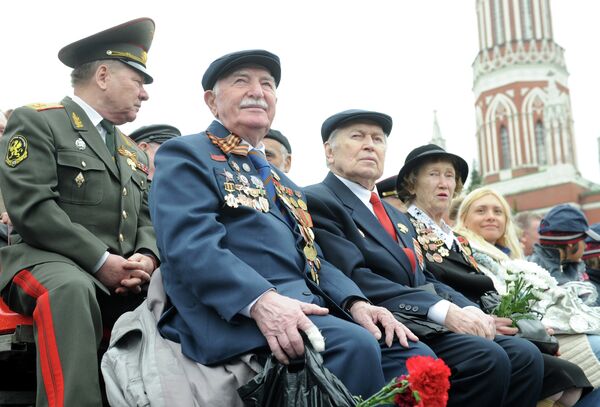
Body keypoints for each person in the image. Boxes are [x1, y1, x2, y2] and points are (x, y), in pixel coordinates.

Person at [149, 50, 431, 399]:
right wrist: (260, 301)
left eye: (267, 84)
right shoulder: (187, 154)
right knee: (353, 346)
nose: (257, 91)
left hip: (307, 306)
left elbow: (313, 259)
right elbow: (190, 246)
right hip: (233, 312)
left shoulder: (283, 181)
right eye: (242, 82)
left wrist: (358, 304)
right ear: (211, 101)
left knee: (413, 357)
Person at [305, 116, 543, 406]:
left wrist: (470, 310)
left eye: (378, 139)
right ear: (329, 152)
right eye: (358, 137)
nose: (370, 146)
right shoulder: (318, 199)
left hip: (422, 319)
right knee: (485, 357)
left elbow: (423, 276)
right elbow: (356, 276)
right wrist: (441, 310)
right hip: (383, 320)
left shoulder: (395, 216)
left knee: (524, 356)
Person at [0, 18, 159, 406]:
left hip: (120, 273)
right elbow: (32, 209)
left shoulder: (132, 151)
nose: (145, 94)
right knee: (70, 289)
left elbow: (147, 219)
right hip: (42, 260)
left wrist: (147, 258)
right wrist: (101, 259)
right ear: (103, 75)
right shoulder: (38, 120)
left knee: (179, 297)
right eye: (138, 80)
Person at [421, 186, 596, 406]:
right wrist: (533, 326)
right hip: (505, 332)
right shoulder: (462, 251)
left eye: (498, 211)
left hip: (536, 330)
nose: (491, 217)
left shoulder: (509, 256)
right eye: (481, 211)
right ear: (464, 218)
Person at [529, 204, 600, 306]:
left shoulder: (571, 267)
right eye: (583, 240)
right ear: (571, 244)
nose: (585, 246)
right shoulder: (535, 272)